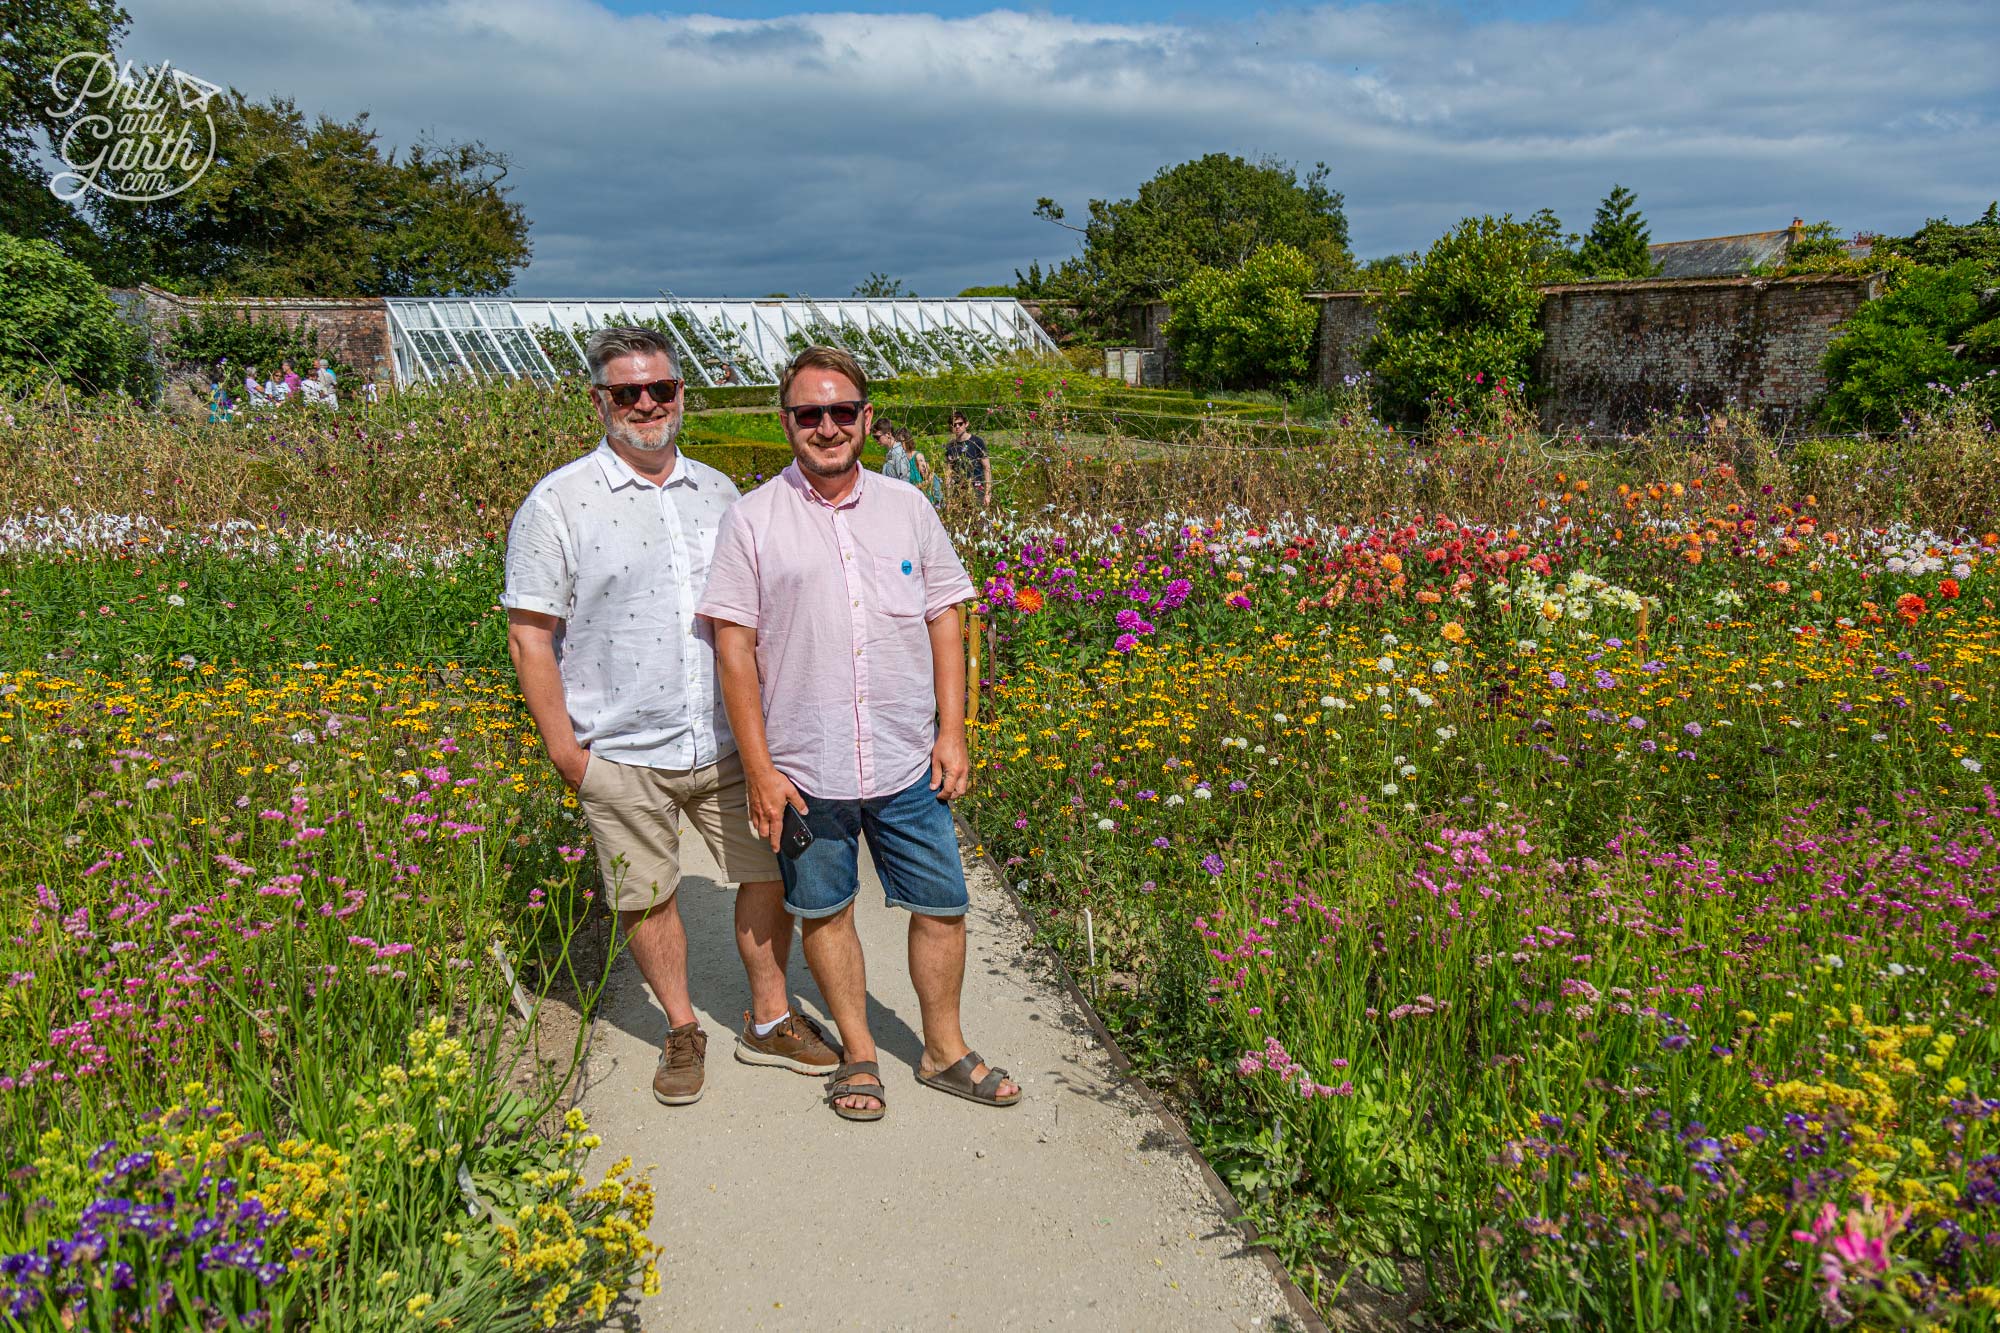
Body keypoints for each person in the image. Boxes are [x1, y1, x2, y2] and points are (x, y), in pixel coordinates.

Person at [503, 325, 840, 1109]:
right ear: (600, 402)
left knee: (765, 872)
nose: (646, 404)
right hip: (619, 745)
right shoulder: (558, 503)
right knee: (646, 894)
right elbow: (530, 635)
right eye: (628, 392)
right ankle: (682, 1025)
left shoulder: (723, 493)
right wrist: (568, 753)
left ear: (682, 394)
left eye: (660, 389)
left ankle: (767, 1015)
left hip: (725, 739)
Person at [700, 345, 1021, 1122]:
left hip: (907, 756)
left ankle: (943, 1047)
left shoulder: (907, 506)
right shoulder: (751, 519)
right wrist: (762, 766)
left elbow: (947, 615)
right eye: (809, 413)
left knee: (942, 903)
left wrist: (955, 731)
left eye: (842, 410)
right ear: (787, 424)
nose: (827, 425)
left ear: (866, 419)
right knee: (826, 909)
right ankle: (860, 1052)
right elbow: (733, 650)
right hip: (809, 768)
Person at [944, 411, 991, 507]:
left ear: (966, 424)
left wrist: (987, 493)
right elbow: (948, 473)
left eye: (960, 424)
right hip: (959, 491)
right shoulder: (950, 446)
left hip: (977, 490)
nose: (957, 427)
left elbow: (987, 468)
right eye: (954, 424)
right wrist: (948, 499)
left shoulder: (977, 442)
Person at [873, 419, 912, 483]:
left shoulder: (898, 452)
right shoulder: (891, 452)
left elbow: (905, 480)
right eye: (874, 437)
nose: (876, 440)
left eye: (877, 437)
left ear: (888, 434)